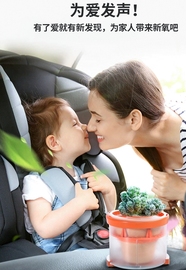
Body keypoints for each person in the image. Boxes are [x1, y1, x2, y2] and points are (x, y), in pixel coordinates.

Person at [87, 60, 186, 252]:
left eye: (98, 118)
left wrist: (183, 190)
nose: (90, 127)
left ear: (134, 119)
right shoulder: (142, 143)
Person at [22, 97, 116, 253]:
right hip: (62, 257)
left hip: (91, 245)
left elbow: (108, 216)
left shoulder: (83, 172)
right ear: (54, 143)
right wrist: (80, 203)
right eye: (75, 124)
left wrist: (109, 190)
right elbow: (44, 227)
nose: (85, 126)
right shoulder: (37, 182)